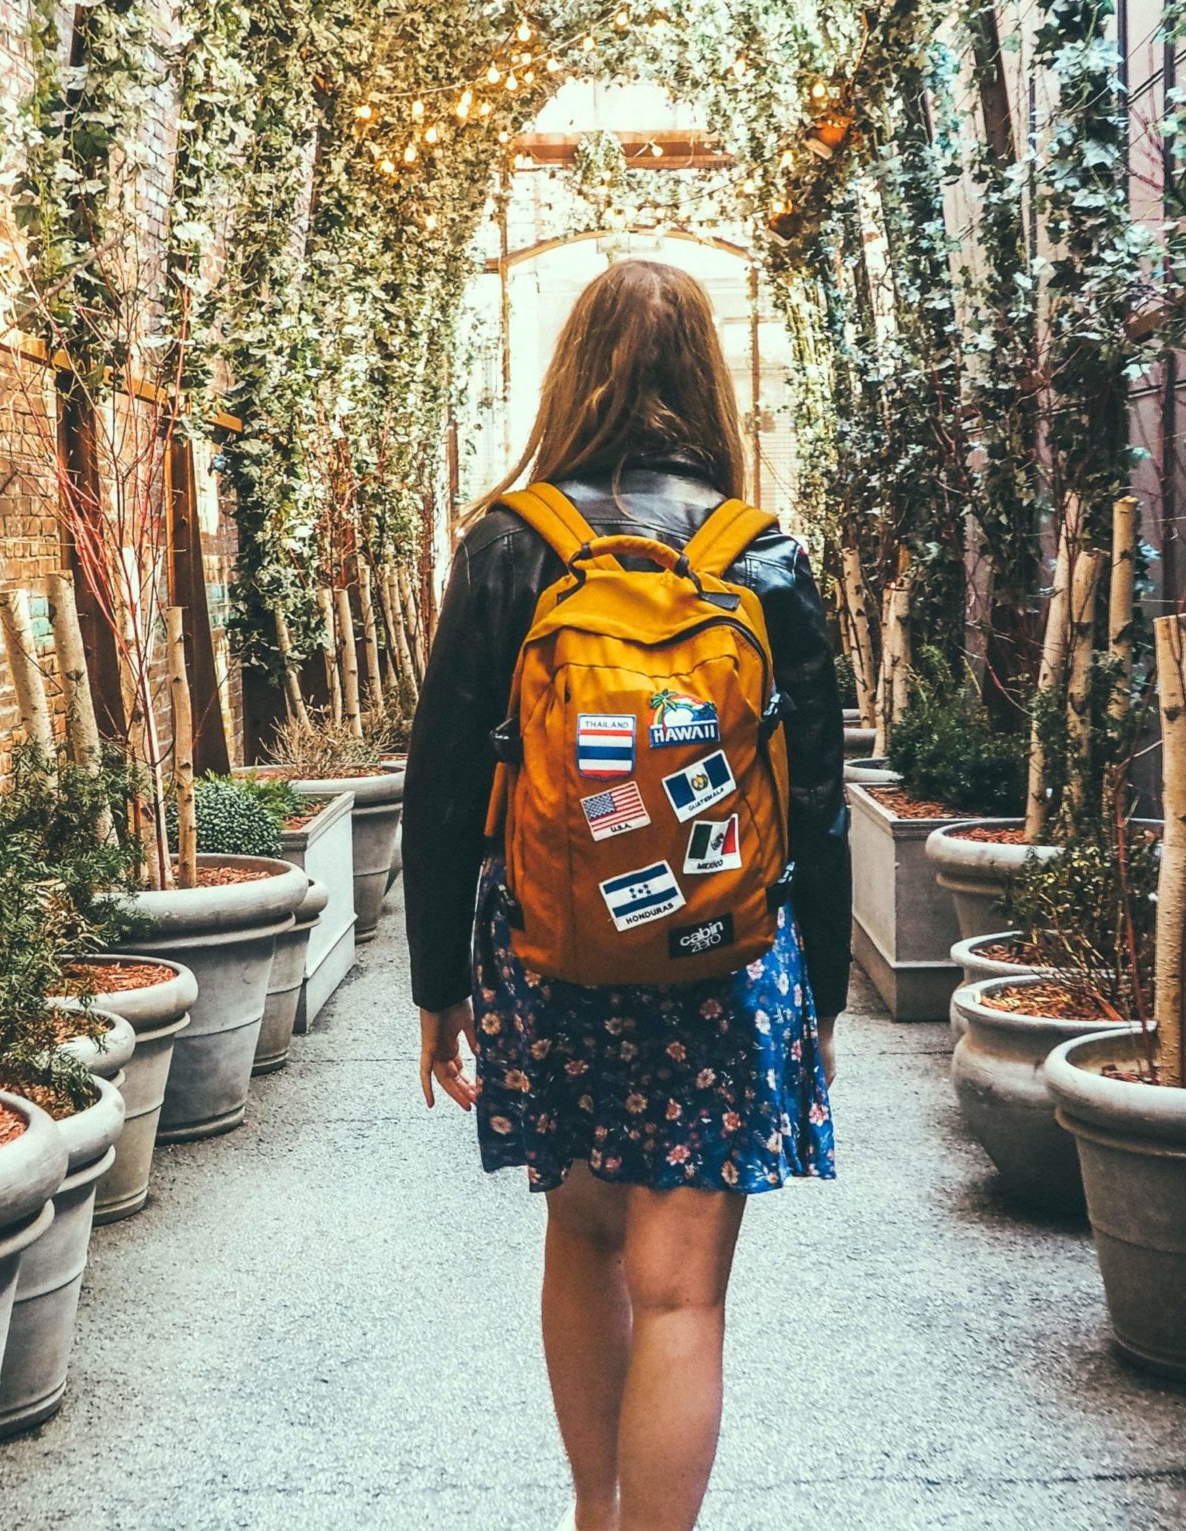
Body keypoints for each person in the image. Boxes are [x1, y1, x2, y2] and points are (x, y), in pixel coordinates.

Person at [402, 258, 849, 1531]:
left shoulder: (508, 545)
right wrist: (817, 997)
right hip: (725, 962)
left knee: (584, 1239)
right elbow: (811, 799)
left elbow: (440, 788)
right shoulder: (760, 558)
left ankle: (593, 1516)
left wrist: (439, 989)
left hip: (550, 956)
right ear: (704, 381)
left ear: (571, 372)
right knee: (683, 1293)